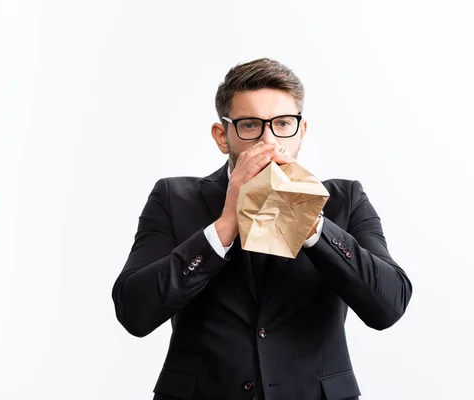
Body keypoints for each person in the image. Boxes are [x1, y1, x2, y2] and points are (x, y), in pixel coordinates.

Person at [111, 58, 412, 400]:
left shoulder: (345, 200)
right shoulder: (173, 197)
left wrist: (312, 224)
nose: (269, 139)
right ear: (222, 136)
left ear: (302, 132)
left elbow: (389, 306)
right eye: (251, 125)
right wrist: (224, 225)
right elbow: (133, 311)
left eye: (283, 123)